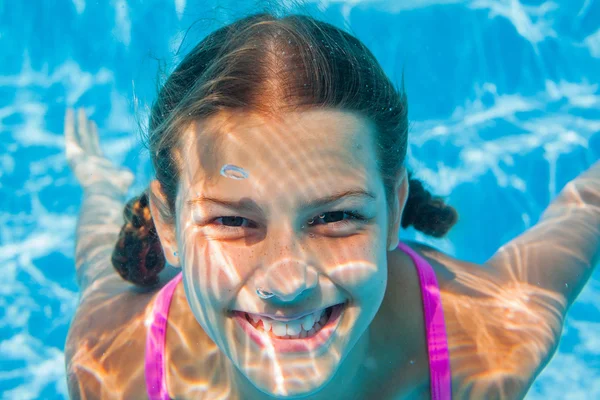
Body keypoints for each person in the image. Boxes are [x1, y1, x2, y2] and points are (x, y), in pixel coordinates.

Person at [64, 11, 600, 400]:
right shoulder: (114, 367)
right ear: (169, 227)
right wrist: (97, 184)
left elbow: (583, 214)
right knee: (100, 265)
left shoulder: (487, 346)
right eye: (231, 220)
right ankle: (101, 180)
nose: (287, 280)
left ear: (394, 208)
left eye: (336, 217)